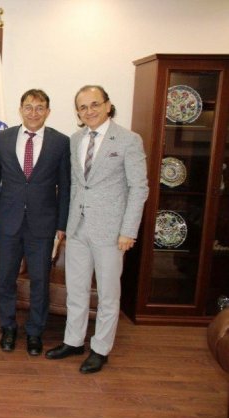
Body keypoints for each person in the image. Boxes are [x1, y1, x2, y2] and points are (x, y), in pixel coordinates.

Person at [45, 85, 148, 373]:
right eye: (83, 107)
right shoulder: (76, 139)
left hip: (111, 232)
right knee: (76, 290)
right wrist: (65, 227)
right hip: (77, 228)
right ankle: (73, 341)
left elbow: (138, 188)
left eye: (94, 104)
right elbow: (75, 185)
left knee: (107, 295)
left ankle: (100, 349)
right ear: (77, 112)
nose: (89, 111)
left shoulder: (128, 140)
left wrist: (129, 230)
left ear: (107, 105)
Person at [0, 89, 70, 356]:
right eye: (28, 107)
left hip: (43, 223)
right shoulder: (3, 138)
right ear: (20, 109)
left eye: (40, 107)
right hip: (7, 220)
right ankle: (8, 327)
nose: (34, 113)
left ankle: (35, 332)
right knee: (6, 278)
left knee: (40, 280)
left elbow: (65, 186)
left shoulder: (61, 142)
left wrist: (62, 223)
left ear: (48, 111)